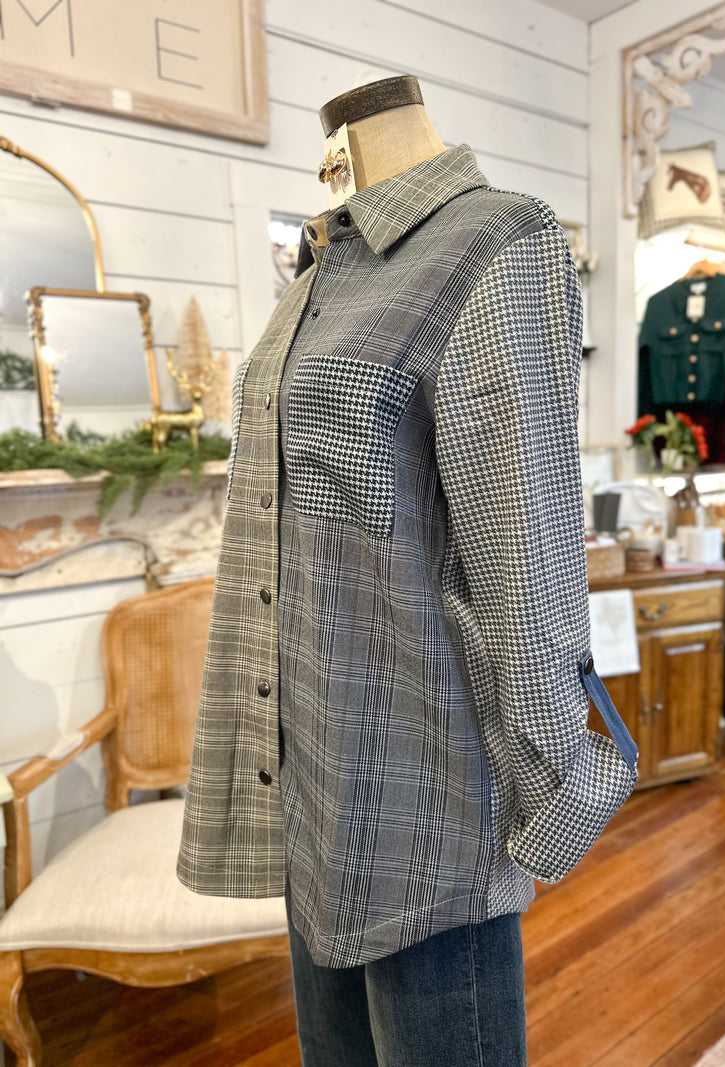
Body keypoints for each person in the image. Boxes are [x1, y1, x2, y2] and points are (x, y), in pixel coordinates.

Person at [177, 74, 637, 1066]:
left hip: (422, 777)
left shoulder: (493, 243)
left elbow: (524, 542)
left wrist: (557, 770)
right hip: (308, 767)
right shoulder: (315, 270)